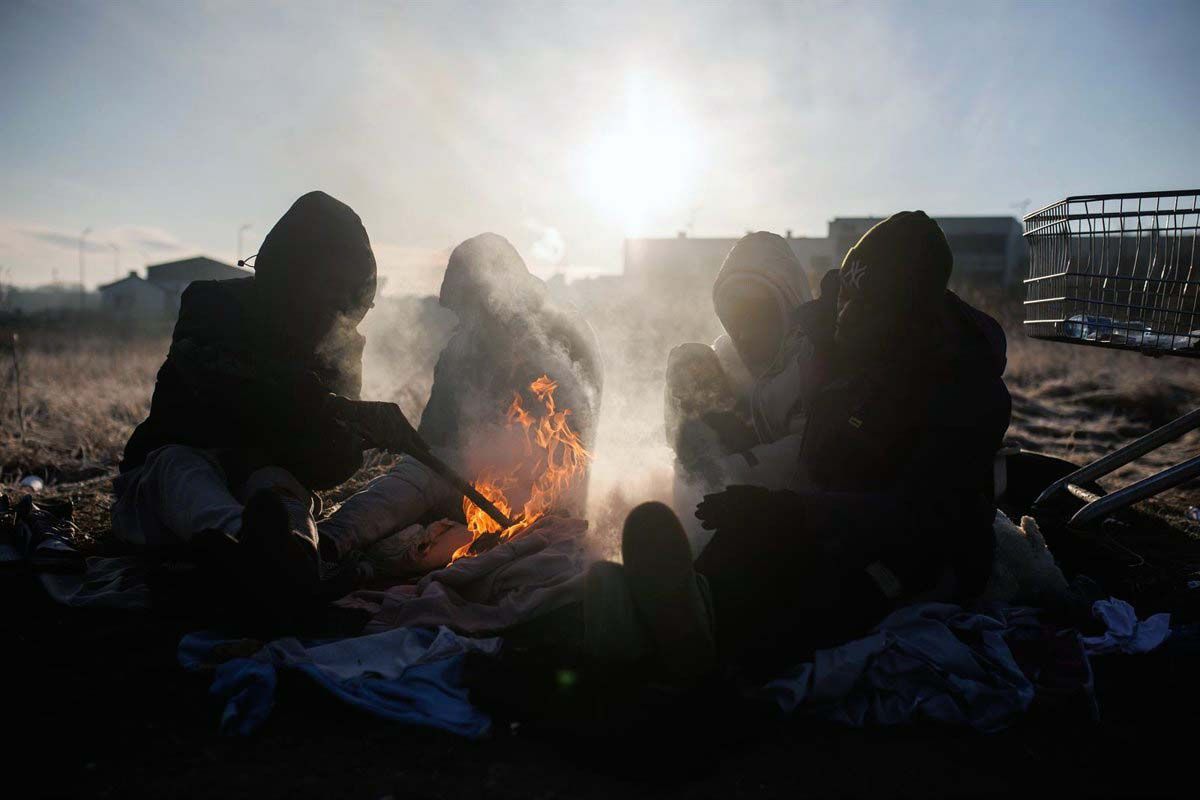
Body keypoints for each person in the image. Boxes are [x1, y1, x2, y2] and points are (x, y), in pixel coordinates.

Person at [592, 211, 1012, 683]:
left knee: (823, 587)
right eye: (845, 303)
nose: (845, 318)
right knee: (750, 539)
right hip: (837, 519)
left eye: (863, 308)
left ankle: (713, 660)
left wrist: (793, 512)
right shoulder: (856, 353)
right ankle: (686, 607)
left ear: (905, 311)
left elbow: (915, 516)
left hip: (925, 557)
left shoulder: (964, 394)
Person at [111, 191, 426, 607]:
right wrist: (333, 407)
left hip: (264, 490)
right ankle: (255, 552)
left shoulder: (340, 346)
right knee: (180, 467)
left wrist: (354, 436)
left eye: (348, 303)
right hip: (164, 491)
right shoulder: (211, 303)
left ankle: (292, 555)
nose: (338, 316)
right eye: (329, 296)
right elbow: (215, 377)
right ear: (293, 277)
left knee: (279, 490)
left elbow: (326, 468)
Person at [316, 232, 603, 564]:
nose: (465, 321)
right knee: (416, 479)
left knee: (414, 543)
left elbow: (579, 438)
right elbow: (432, 447)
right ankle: (323, 542)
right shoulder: (462, 350)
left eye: (468, 308)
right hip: (464, 486)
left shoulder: (563, 333)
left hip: (546, 497)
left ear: (494, 295)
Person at [664, 231, 813, 550]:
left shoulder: (812, 362)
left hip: (784, 515)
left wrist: (727, 469)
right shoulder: (723, 360)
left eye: (758, 318)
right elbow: (682, 445)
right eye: (735, 319)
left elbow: (806, 453)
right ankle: (685, 543)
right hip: (715, 501)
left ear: (785, 307)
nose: (744, 334)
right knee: (690, 359)